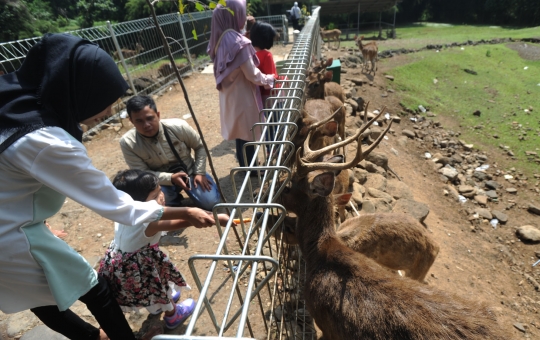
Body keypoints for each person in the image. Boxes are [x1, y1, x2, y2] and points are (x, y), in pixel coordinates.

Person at [0, 33, 217, 340]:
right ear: (82, 94)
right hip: (11, 236)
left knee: (39, 298)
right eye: (105, 103)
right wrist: (189, 212)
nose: (107, 112)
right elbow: (118, 204)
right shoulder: (46, 141)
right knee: (90, 289)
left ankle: (93, 336)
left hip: (14, 220)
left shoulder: (12, 106)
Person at [98, 170, 232, 329]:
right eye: (154, 197)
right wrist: (215, 218)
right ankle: (172, 314)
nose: (161, 197)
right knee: (157, 286)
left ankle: (156, 305)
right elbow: (184, 220)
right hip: (140, 266)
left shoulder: (122, 211)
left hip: (120, 261)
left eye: (160, 190)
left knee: (149, 288)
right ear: (138, 204)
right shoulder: (150, 220)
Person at [120, 95, 221, 210]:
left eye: (150, 118)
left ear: (158, 115)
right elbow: (142, 174)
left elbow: (200, 147)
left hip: (190, 172)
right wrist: (170, 178)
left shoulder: (178, 126)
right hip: (159, 182)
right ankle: (172, 199)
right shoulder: (128, 143)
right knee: (157, 210)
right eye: (139, 121)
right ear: (131, 121)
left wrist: (199, 172)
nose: (146, 125)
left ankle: (174, 199)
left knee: (211, 203)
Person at [207, 0, 275, 169]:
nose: (244, 18)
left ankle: (245, 165)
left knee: (240, 133)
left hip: (230, 95)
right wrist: (269, 79)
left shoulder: (220, 39)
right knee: (249, 133)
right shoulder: (239, 42)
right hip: (243, 96)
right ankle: (250, 169)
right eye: (241, 13)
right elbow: (252, 74)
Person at [250, 22, 280, 144]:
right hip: (270, 95)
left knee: (268, 123)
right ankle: (273, 149)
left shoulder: (250, 54)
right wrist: (279, 77)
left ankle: (269, 149)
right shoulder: (266, 55)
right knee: (275, 123)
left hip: (259, 95)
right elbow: (271, 77)